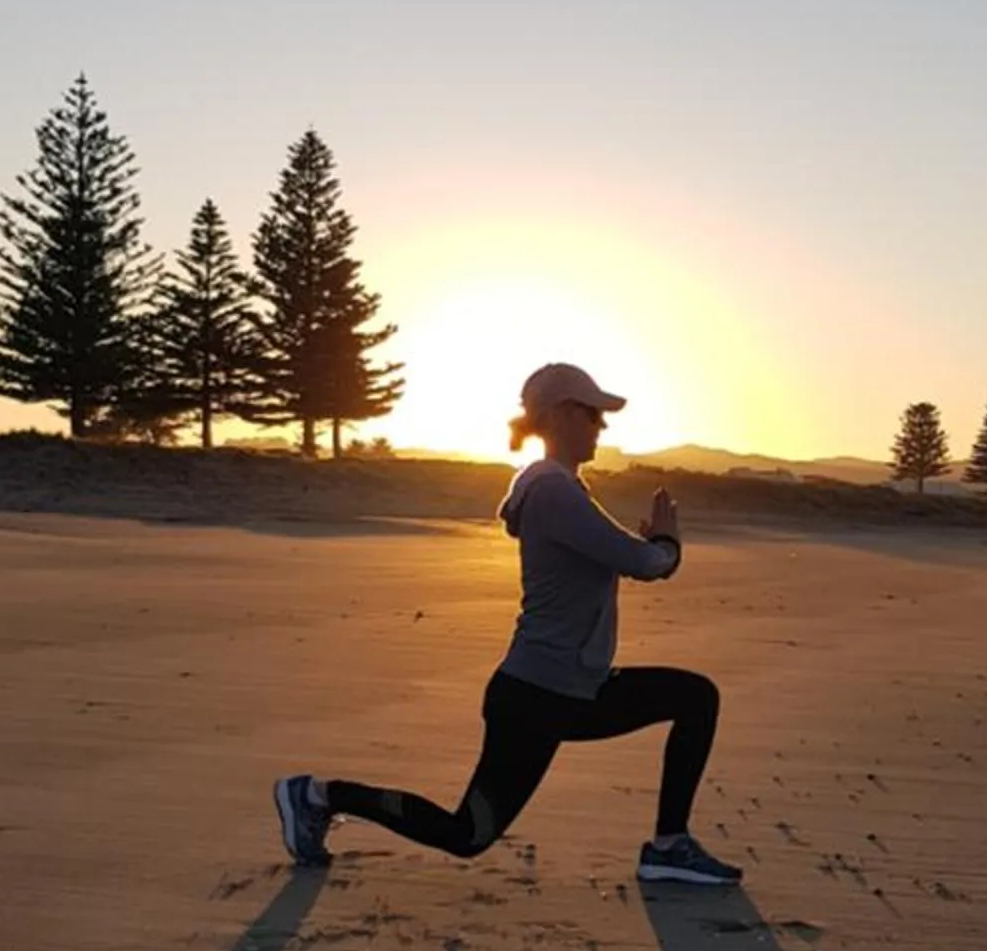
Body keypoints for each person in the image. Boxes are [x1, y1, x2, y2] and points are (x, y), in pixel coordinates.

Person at [274, 361, 742, 886]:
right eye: (593, 414)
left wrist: (647, 548)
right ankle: (315, 795)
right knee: (466, 835)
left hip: (575, 690)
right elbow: (647, 564)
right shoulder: (551, 491)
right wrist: (667, 541)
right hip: (536, 696)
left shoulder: (557, 488)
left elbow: (624, 556)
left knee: (695, 697)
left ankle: (669, 847)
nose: (602, 427)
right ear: (563, 414)